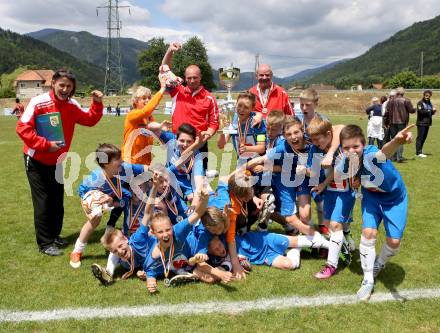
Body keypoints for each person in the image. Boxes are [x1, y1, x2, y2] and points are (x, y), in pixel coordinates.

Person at [16, 69, 103, 256]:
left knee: (56, 200)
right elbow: (22, 127)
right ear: (53, 83)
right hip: (36, 159)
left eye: (69, 86)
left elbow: (89, 120)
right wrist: (45, 145)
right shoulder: (38, 102)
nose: (64, 89)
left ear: (73, 88)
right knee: (43, 201)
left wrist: (97, 103)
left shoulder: (72, 105)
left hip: (57, 160)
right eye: (61, 85)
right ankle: (45, 243)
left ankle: (54, 235)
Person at [337, 124, 413, 301]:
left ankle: (379, 263)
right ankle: (368, 279)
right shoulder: (345, 161)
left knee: (393, 242)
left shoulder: (372, 154)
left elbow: (385, 152)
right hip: (371, 197)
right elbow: (344, 173)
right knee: (368, 233)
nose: (351, 151)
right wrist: (353, 180)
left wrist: (396, 141)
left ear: (364, 144)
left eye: (356, 146)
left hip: (394, 199)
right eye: (346, 147)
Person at [71, 143, 149, 268]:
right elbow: (83, 195)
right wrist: (88, 212)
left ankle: (123, 232)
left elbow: (144, 168)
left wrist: (158, 172)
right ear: (106, 164)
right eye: (117, 159)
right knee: (95, 220)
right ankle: (77, 251)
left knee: (130, 203)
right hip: (104, 199)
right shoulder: (95, 179)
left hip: (121, 194)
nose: (122, 160)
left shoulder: (124, 168)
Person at [306, 116, 354, 279]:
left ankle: (331, 265)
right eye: (312, 140)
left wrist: (331, 153)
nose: (314, 143)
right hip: (330, 192)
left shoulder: (340, 141)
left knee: (334, 225)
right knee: (332, 225)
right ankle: (345, 239)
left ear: (328, 134)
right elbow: (315, 171)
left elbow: (341, 126)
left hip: (346, 191)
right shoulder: (315, 149)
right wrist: (320, 182)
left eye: (317, 139)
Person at [162, 42, 219, 170]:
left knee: (200, 180)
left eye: (195, 77)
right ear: (185, 78)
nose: (192, 80)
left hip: (199, 144)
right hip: (177, 142)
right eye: (189, 78)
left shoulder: (209, 97)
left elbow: (214, 123)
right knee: (172, 177)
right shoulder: (177, 90)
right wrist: (170, 51)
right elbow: (164, 69)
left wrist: (207, 135)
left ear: (200, 77)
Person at [383, 87, 415, 162]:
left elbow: (386, 113)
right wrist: (415, 109)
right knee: (401, 139)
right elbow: (411, 110)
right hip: (402, 122)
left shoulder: (390, 101)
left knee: (394, 139)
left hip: (392, 122)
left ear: (397, 93)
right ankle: (399, 157)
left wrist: (385, 122)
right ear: (403, 93)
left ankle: (393, 157)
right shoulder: (406, 100)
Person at [415, 90, 436, 158]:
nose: (427, 97)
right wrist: (430, 110)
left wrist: (433, 111)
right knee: (420, 138)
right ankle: (418, 152)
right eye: (426, 95)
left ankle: (420, 151)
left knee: (424, 138)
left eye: (429, 96)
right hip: (421, 123)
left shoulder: (429, 103)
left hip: (427, 123)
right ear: (424, 95)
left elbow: (430, 113)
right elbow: (421, 112)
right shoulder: (420, 103)